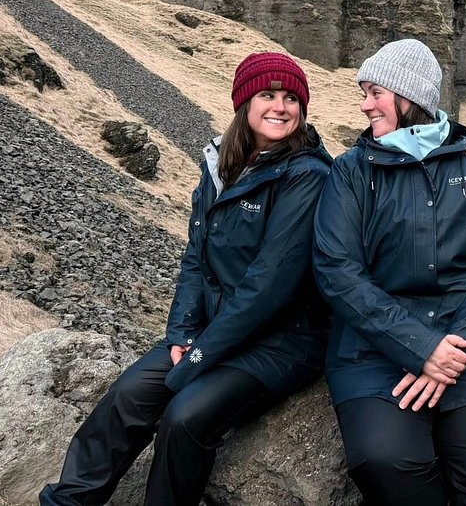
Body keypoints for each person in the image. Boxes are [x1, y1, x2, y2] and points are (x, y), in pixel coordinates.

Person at [41, 52, 332, 505]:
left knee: (184, 417)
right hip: (212, 332)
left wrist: (198, 357)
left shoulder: (308, 176)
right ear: (244, 103)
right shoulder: (221, 165)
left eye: (292, 98)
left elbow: (270, 284)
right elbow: (196, 259)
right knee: (128, 397)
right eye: (268, 95)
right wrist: (181, 333)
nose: (280, 106)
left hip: (281, 342)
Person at [313, 38, 466, 505]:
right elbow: (337, 269)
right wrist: (419, 347)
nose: (364, 104)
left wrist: (455, 347)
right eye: (364, 93)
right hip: (374, 350)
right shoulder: (351, 171)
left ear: (409, 95)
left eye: (374, 92)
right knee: (384, 462)